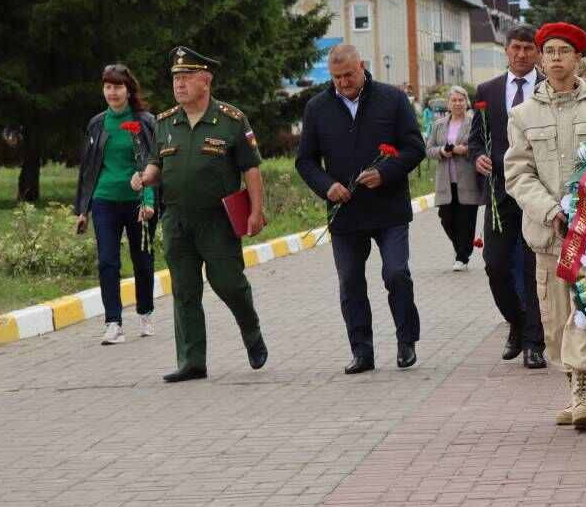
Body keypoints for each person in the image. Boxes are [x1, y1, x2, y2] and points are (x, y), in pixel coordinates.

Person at [131, 47, 268, 382]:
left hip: (217, 219)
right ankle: (192, 360)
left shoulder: (231, 121)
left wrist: (256, 211)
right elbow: (156, 164)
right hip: (177, 219)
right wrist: (146, 177)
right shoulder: (165, 123)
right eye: (176, 78)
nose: (180, 84)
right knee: (185, 290)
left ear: (206, 81)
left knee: (229, 284)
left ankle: (251, 333)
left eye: (187, 77)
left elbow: (251, 170)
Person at [504, 22, 586, 428]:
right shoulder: (523, 114)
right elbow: (517, 173)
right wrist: (550, 210)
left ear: (578, 60)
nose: (555, 59)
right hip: (548, 235)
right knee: (554, 321)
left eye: (564, 52)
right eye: (549, 52)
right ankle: (571, 385)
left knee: (583, 314)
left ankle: (582, 393)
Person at [295, 43, 426, 374]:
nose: (343, 83)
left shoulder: (391, 99)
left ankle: (406, 340)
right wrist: (327, 186)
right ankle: (362, 351)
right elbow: (305, 160)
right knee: (350, 282)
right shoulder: (317, 107)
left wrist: (385, 173)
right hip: (346, 213)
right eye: (337, 77)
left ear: (362, 66)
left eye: (349, 75)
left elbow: (414, 147)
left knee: (396, 273)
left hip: (389, 209)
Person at [468, 25, 548, 370]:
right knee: (496, 266)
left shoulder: (548, 87)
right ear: (506, 50)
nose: (521, 54)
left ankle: (534, 342)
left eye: (528, 48)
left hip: (538, 191)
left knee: (534, 270)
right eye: (516, 48)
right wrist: (476, 157)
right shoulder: (487, 90)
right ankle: (516, 321)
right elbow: (476, 138)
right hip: (499, 194)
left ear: (537, 52)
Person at [74, 64, 158, 345]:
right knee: (108, 261)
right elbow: (87, 168)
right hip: (105, 200)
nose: (112, 92)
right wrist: (82, 210)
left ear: (128, 89)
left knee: (142, 261)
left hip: (138, 202)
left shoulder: (145, 121)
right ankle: (113, 323)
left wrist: (148, 201)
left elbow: (152, 164)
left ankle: (145, 312)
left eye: (118, 86)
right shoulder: (97, 124)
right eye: (108, 87)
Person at [425, 86, 479, 271]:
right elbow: (429, 149)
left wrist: (466, 150)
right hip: (445, 181)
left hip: (467, 179)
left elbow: (482, 145)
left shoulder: (474, 122)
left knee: (466, 220)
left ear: (466, 102)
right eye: (454, 100)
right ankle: (461, 248)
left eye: (461, 100)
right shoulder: (438, 124)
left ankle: (462, 256)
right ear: (448, 103)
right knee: (446, 218)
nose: (457, 103)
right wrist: (442, 151)